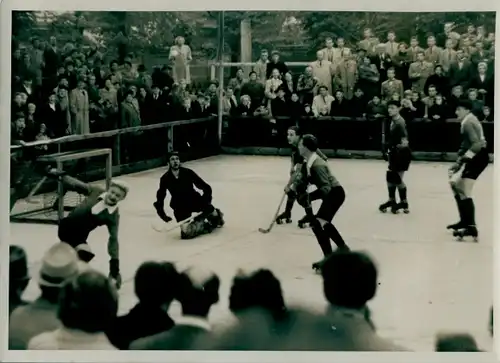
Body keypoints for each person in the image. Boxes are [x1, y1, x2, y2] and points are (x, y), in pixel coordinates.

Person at [46, 169, 128, 289]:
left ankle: (63, 275)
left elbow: (113, 239)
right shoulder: (96, 191)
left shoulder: (113, 216)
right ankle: (63, 274)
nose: (113, 196)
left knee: (83, 255)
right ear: (108, 189)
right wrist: (60, 175)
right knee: (77, 254)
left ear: (122, 199)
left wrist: (114, 266)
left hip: (80, 236)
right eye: (112, 192)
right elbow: (76, 184)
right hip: (66, 227)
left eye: (118, 196)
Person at [292, 134, 350, 272]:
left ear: (306, 147)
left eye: (300, 144)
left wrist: (309, 197)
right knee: (317, 224)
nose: (299, 147)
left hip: (335, 194)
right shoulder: (309, 161)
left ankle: (342, 250)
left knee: (320, 222)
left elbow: (326, 188)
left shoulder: (317, 164)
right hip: (331, 193)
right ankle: (330, 257)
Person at [154, 152, 224, 239]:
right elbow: (160, 197)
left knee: (215, 218)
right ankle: (202, 223)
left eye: (177, 159)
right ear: (168, 163)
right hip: (180, 205)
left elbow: (206, 187)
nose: (175, 161)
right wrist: (163, 216)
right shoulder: (165, 178)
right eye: (172, 159)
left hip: (194, 200)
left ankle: (216, 214)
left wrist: (206, 200)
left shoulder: (188, 172)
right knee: (186, 233)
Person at [448, 100, 489, 241]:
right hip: (478, 156)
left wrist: (463, 160)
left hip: (478, 157)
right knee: (456, 186)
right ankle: (465, 221)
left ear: (465, 109)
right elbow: (468, 143)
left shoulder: (467, 122)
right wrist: (461, 158)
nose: (456, 112)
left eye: (458, 109)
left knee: (464, 189)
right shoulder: (469, 119)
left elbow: (476, 144)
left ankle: (471, 227)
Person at [276, 126, 327, 228]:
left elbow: (298, 171)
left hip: (314, 170)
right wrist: (291, 167)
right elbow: (294, 157)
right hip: (309, 168)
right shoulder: (297, 144)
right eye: (287, 134)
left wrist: (289, 184)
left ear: (298, 136)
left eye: (291, 135)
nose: (288, 137)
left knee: (299, 191)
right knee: (293, 190)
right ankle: (288, 213)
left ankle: (310, 217)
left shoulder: (301, 146)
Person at [379, 100, 412, 214]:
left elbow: (404, 141)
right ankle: (392, 199)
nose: (390, 110)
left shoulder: (400, 122)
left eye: (392, 108)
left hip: (401, 154)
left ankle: (404, 202)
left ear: (398, 109)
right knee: (390, 178)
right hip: (394, 153)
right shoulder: (391, 121)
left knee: (397, 179)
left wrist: (395, 149)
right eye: (389, 108)